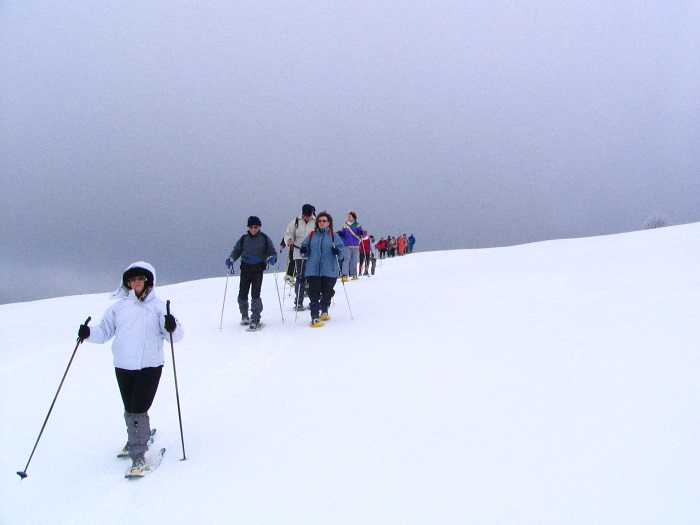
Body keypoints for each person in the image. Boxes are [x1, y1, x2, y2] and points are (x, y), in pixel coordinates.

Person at [77, 261, 184, 477]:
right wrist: (88, 333)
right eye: (132, 279)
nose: (136, 282)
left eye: (140, 279)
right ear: (128, 283)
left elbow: (176, 336)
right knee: (130, 407)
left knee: (138, 409)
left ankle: (138, 455)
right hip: (124, 365)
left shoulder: (159, 307)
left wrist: (171, 327)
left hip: (150, 366)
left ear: (148, 281)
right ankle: (136, 437)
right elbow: (104, 332)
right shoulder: (118, 308)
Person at [227, 216, 277, 329]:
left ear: (260, 227)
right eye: (251, 227)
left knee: (255, 293)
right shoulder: (244, 239)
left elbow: (272, 252)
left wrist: (272, 258)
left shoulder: (265, 239)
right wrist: (231, 259)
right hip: (245, 268)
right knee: (243, 293)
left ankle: (255, 317)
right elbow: (236, 251)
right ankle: (244, 314)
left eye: (256, 227)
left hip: (258, 269)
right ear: (248, 227)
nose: (253, 229)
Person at [300, 211, 344, 327]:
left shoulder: (334, 236)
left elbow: (341, 252)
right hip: (313, 269)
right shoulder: (312, 235)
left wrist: (337, 252)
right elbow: (304, 249)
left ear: (329, 222)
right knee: (313, 292)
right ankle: (314, 316)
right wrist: (304, 250)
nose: (321, 223)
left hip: (329, 269)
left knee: (327, 291)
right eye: (319, 221)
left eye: (324, 221)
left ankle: (324, 309)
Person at [283, 204, 316, 311]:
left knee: (313, 278)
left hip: (313, 253)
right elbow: (288, 234)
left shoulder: (316, 222)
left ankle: (313, 301)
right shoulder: (295, 222)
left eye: (310, 215)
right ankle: (298, 302)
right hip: (298, 253)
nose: (308, 217)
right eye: (306, 215)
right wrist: (288, 239)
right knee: (300, 277)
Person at [338, 210, 363, 281]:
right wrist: (341, 234)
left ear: (354, 217)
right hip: (347, 244)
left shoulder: (357, 225)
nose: (348, 218)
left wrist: (361, 233)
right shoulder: (345, 225)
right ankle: (345, 275)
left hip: (355, 245)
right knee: (346, 259)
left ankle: (354, 274)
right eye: (348, 216)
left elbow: (361, 234)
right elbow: (343, 233)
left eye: (350, 216)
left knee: (354, 260)